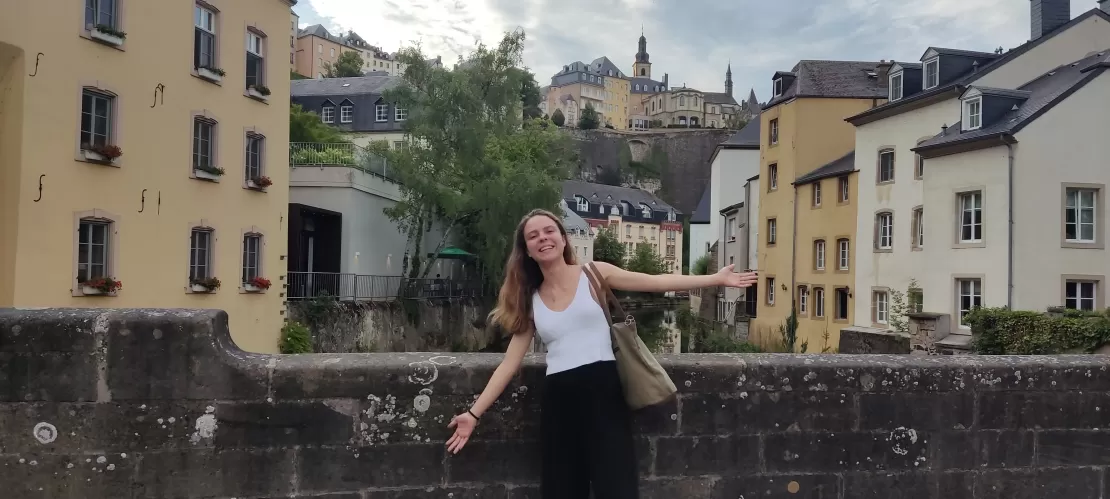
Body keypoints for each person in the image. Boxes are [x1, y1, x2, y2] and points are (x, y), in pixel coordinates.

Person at [445, 209, 758, 498]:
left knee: (617, 486)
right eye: (533, 236)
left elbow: (655, 282)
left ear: (563, 238)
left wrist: (716, 278)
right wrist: (473, 414)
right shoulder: (530, 299)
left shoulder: (594, 274)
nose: (543, 238)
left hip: (604, 395)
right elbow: (509, 364)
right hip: (560, 402)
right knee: (563, 489)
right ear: (526, 250)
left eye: (549, 231)